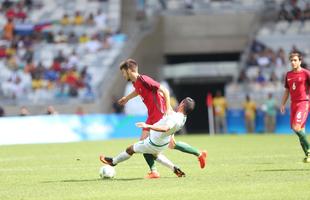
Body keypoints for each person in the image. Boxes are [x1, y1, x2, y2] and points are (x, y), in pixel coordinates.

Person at [116, 59, 207, 178]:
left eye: (123, 72)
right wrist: (127, 98)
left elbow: (164, 90)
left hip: (158, 113)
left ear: (128, 70)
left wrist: (168, 107)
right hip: (152, 114)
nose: (123, 75)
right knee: (171, 144)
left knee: (144, 144)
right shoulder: (136, 83)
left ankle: (154, 171)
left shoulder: (144, 79)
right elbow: (138, 91)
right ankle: (199, 154)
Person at [100, 97, 195, 178]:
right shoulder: (183, 118)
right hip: (163, 142)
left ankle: (113, 161)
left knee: (130, 149)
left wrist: (148, 126)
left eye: (181, 102)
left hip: (154, 142)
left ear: (182, 104)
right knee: (152, 154)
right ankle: (173, 168)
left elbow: (165, 128)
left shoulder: (175, 118)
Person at [280, 52, 310, 163]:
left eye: (295, 60)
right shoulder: (288, 75)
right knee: (299, 132)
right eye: (291, 60)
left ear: (300, 61)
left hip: (303, 103)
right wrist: (283, 103)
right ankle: (308, 154)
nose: (293, 62)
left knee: (296, 127)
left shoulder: (306, 73)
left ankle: (309, 150)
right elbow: (287, 91)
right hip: (293, 104)